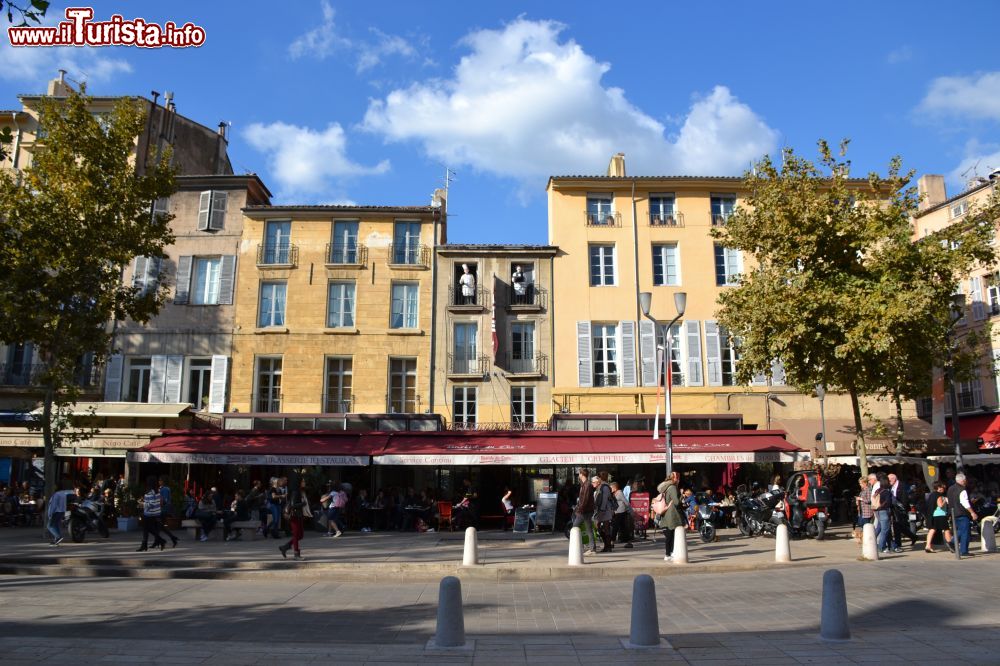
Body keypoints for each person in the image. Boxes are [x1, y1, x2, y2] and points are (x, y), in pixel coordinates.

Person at [947, 473, 978, 558]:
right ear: (963, 480)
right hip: (962, 513)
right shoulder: (962, 490)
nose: (966, 482)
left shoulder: (950, 488)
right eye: (965, 480)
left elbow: (950, 500)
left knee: (960, 530)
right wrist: (972, 512)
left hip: (954, 513)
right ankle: (963, 550)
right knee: (965, 532)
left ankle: (952, 542)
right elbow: (964, 502)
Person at [656, 471, 684, 561]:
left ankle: (669, 553)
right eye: (678, 478)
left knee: (670, 535)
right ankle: (668, 554)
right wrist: (682, 495)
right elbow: (676, 502)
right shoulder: (672, 488)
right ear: (675, 479)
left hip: (667, 513)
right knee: (671, 535)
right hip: (672, 514)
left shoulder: (667, 487)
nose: (679, 480)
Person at [279, 474, 306, 560]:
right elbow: (293, 505)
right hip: (294, 516)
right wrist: (303, 504)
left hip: (298, 515)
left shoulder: (298, 491)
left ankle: (285, 547)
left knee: (300, 535)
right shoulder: (295, 492)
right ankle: (296, 554)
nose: (304, 482)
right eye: (303, 481)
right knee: (296, 535)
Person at [888, 473, 916, 551]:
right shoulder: (891, 486)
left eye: (889, 480)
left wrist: (903, 507)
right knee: (898, 526)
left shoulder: (902, 485)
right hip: (894, 508)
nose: (888, 482)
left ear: (894, 479)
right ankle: (912, 537)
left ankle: (898, 544)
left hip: (901, 509)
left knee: (898, 525)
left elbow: (905, 498)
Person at [137, 477, 167, 552]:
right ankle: (145, 545)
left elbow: (151, 504)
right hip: (156, 513)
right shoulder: (157, 491)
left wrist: (142, 504)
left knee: (147, 529)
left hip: (149, 514)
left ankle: (159, 541)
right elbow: (158, 502)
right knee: (148, 530)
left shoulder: (150, 492)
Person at [572, 468, 597, 552]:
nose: (578, 475)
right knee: (589, 530)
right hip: (585, 510)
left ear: (582, 474)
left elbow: (585, 499)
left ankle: (580, 547)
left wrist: (580, 509)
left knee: (574, 528)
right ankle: (591, 548)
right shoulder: (584, 484)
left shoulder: (587, 485)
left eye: (579, 474)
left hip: (584, 511)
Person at [924, 482, 952, 554]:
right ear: (939, 488)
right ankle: (951, 545)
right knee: (946, 529)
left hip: (933, 515)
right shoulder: (939, 496)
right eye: (942, 487)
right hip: (941, 515)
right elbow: (940, 505)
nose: (944, 489)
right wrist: (945, 500)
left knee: (932, 530)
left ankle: (928, 546)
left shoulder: (932, 495)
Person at [591, 475, 614, 553]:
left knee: (605, 528)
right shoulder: (598, 488)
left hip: (605, 511)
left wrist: (601, 511)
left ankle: (608, 547)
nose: (592, 484)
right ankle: (607, 546)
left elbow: (604, 500)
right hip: (601, 511)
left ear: (598, 482)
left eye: (593, 482)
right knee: (599, 527)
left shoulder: (604, 487)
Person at [873, 473, 893, 554]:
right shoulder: (886, 492)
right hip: (884, 511)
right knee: (885, 530)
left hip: (877, 510)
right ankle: (881, 547)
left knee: (880, 527)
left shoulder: (878, 490)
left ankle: (872, 543)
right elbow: (888, 502)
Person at [157, 476, 179, 548]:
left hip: (163, 509)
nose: (159, 482)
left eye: (160, 480)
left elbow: (165, 500)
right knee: (160, 526)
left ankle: (160, 541)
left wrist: (159, 504)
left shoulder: (165, 489)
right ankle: (172, 538)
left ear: (163, 481)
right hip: (162, 509)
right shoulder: (162, 489)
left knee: (159, 525)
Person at [610, 481, 633, 549]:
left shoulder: (619, 493)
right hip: (617, 513)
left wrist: (631, 511)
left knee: (615, 527)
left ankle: (612, 542)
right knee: (623, 528)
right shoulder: (614, 494)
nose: (610, 489)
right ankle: (629, 542)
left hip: (621, 513)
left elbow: (626, 502)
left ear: (615, 488)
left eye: (611, 487)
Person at [855, 476, 873, 544]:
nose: (860, 484)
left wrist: (861, 499)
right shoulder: (862, 490)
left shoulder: (868, 490)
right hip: (862, 511)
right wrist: (857, 501)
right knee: (861, 525)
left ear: (865, 483)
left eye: (861, 483)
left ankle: (867, 540)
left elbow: (869, 500)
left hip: (867, 512)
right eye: (859, 483)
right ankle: (864, 539)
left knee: (866, 526)